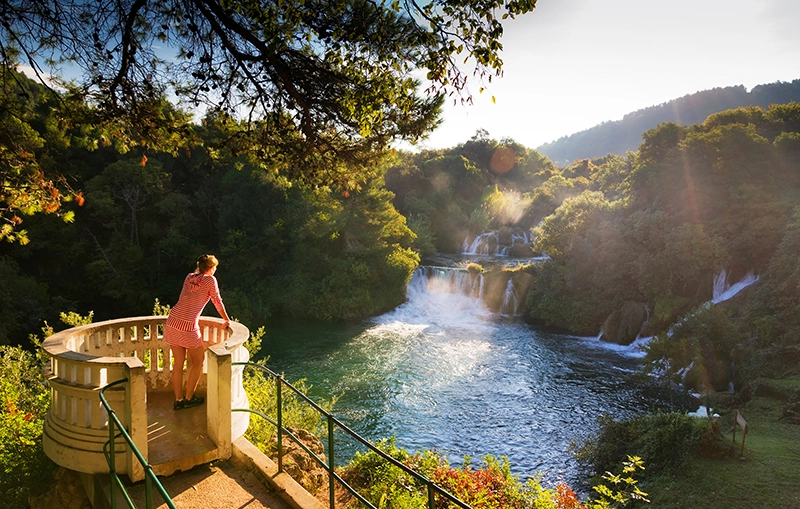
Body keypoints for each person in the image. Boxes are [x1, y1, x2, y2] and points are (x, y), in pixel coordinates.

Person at [164, 254, 231, 410]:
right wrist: (226, 319)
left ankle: (178, 401)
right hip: (188, 326)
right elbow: (217, 301)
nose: (215, 270)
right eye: (215, 267)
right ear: (210, 268)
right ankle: (188, 399)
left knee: (178, 364)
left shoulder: (189, 277)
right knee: (198, 363)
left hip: (173, 321)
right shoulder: (210, 280)